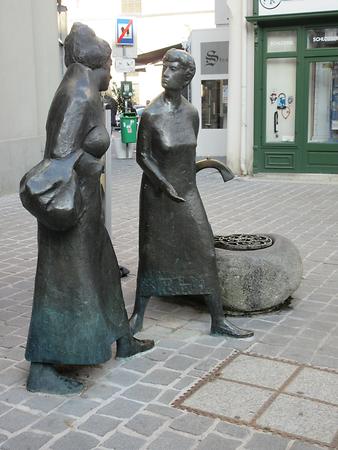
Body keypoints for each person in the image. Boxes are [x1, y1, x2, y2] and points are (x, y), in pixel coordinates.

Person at [20, 23, 153, 395]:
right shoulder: (77, 94)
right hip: (70, 210)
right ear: (100, 64)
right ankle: (43, 369)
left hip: (86, 208)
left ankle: (122, 338)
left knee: (105, 270)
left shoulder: (87, 91)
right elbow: (59, 157)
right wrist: (90, 162)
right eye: (110, 66)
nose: (112, 74)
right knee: (63, 285)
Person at [129, 49, 253, 339]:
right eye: (165, 67)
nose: (166, 72)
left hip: (186, 192)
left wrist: (209, 166)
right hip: (157, 195)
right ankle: (138, 315)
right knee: (152, 252)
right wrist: (163, 183)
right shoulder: (151, 114)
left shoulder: (191, 114)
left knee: (203, 248)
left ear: (186, 77)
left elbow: (187, 155)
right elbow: (142, 156)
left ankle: (218, 320)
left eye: (173, 68)